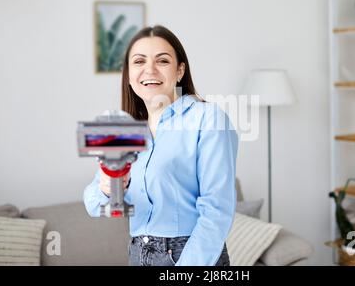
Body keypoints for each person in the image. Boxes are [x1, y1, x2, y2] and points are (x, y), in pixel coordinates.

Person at [83, 25, 239, 266]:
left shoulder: (208, 118)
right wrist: (106, 186)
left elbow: (217, 211)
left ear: (179, 71)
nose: (150, 70)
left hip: (190, 255)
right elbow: (93, 205)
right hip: (138, 252)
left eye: (162, 61)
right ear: (128, 74)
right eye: (139, 61)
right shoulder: (124, 129)